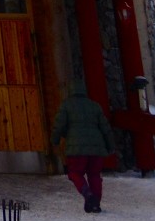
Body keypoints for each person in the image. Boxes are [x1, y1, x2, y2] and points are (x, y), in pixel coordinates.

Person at [51, 80, 119, 213]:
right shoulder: (95, 106)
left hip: (76, 149)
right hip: (96, 148)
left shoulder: (66, 106)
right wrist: (111, 145)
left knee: (75, 173)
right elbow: (105, 128)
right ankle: (95, 204)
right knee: (94, 175)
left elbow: (58, 126)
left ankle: (88, 194)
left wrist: (55, 141)